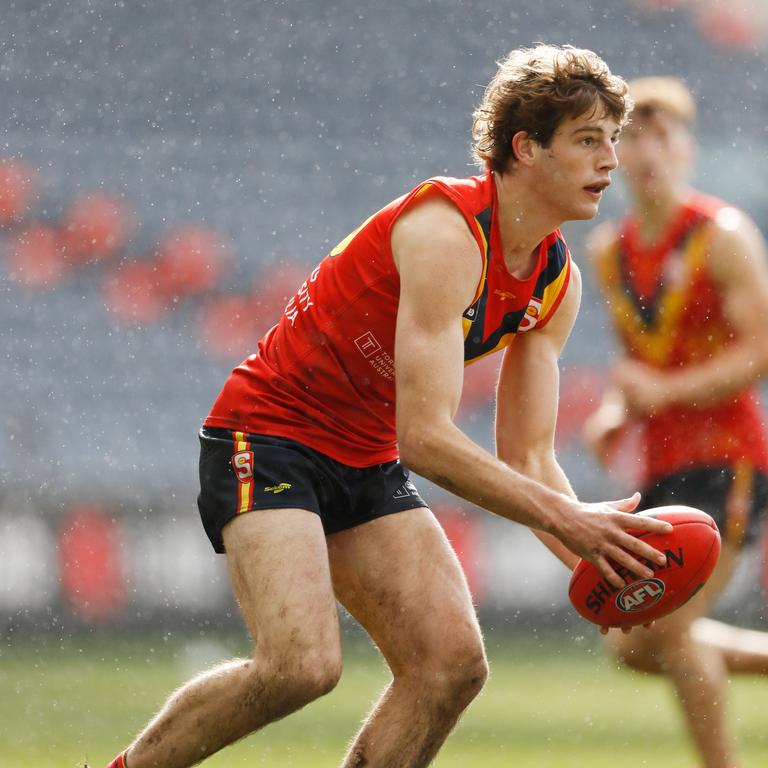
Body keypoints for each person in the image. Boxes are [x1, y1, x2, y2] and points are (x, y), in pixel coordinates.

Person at [105, 45, 673, 768]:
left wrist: (604, 566)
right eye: (590, 140)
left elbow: (528, 455)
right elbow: (427, 439)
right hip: (269, 434)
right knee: (301, 667)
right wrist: (572, 523)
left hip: (362, 455)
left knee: (451, 665)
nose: (612, 161)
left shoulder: (555, 283)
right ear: (526, 148)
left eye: (613, 140)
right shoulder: (446, 233)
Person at [584, 76, 768, 768]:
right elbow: (641, 366)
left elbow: (760, 351)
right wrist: (614, 411)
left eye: (664, 134)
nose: (649, 150)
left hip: (729, 459)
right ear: (611, 154)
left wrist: (664, 391)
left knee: (670, 629)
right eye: (632, 135)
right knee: (632, 644)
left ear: (688, 148)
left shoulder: (722, 236)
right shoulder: (610, 253)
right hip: (663, 467)